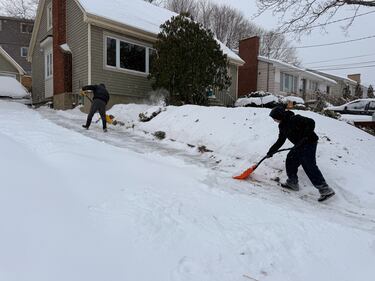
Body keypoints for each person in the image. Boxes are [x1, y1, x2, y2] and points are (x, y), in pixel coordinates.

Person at [267, 105, 335, 202]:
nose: (274, 120)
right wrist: (271, 151)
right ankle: (292, 182)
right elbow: (280, 140)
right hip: (299, 145)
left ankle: (325, 189)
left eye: (274, 118)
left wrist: (305, 136)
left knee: (308, 164)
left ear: (280, 115)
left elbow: (311, 122)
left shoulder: (295, 119)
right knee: (291, 159)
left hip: (309, 142)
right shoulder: (282, 125)